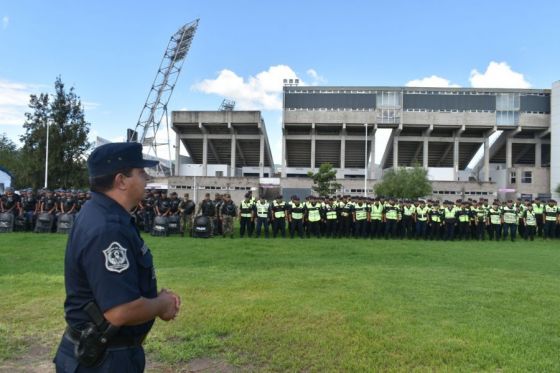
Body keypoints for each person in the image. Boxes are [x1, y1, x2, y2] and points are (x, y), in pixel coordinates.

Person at [53, 142, 180, 372]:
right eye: (141, 173)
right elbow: (119, 311)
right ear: (121, 181)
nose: (147, 179)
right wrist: (161, 304)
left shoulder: (102, 214)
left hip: (104, 354)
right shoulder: (107, 227)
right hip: (104, 361)